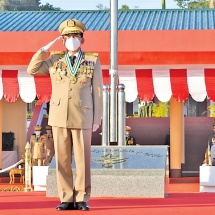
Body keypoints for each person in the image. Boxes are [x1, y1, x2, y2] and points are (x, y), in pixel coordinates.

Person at [27, 19, 103, 211]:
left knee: (83, 160)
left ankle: (83, 198)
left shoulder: (92, 60)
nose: (72, 40)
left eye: (75, 36)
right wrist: (45, 49)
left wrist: (97, 118)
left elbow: (98, 91)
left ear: (82, 39)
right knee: (62, 159)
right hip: (59, 116)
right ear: (62, 40)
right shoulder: (54, 59)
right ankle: (67, 198)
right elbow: (32, 69)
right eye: (68, 37)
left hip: (83, 116)